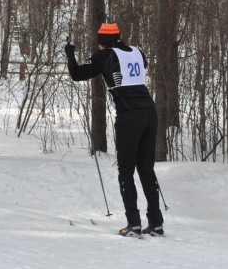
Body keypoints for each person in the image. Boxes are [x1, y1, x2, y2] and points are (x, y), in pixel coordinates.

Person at [64, 23, 164, 238]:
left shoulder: (106, 55)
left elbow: (77, 74)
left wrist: (70, 53)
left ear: (101, 41)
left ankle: (133, 224)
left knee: (126, 171)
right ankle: (156, 223)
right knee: (146, 170)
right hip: (149, 111)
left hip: (129, 116)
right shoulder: (138, 52)